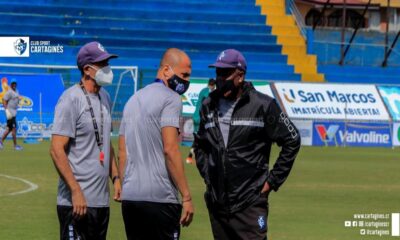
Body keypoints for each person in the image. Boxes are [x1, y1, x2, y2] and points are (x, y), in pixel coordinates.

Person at [193, 49, 301, 240]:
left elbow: (292, 140)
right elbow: (200, 145)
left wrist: (272, 182)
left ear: (240, 76)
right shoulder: (207, 105)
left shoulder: (263, 105)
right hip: (218, 204)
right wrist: (208, 177)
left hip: (250, 204)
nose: (219, 78)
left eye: (225, 73)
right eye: (217, 72)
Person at [119, 48, 194, 240]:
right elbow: (170, 149)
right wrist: (186, 196)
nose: (186, 81)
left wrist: (124, 186)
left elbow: (123, 153)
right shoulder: (172, 99)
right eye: (184, 75)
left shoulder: (132, 100)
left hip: (130, 198)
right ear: (166, 70)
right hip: (161, 198)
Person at [50, 41, 121, 240]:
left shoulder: (105, 97)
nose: (108, 68)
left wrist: (115, 178)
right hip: (75, 203)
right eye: (103, 63)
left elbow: (106, 143)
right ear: (88, 70)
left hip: (101, 203)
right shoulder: (70, 99)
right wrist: (76, 191)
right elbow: (56, 150)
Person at [185, 78, 215, 164]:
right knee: (200, 139)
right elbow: (207, 100)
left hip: (197, 117)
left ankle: (193, 157)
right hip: (199, 118)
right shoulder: (207, 92)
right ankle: (191, 157)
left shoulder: (203, 90)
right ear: (212, 85)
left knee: (200, 138)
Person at [0, 80, 23, 150]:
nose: (14, 85)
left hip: (14, 112)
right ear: (10, 84)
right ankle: (15, 146)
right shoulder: (9, 92)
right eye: (13, 84)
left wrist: (19, 99)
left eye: (15, 83)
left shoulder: (16, 91)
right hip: (10, 113)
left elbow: (16, 99)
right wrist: (6, 110)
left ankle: (0, 142)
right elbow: (4, 100)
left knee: (9, 129)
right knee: (13, 129)